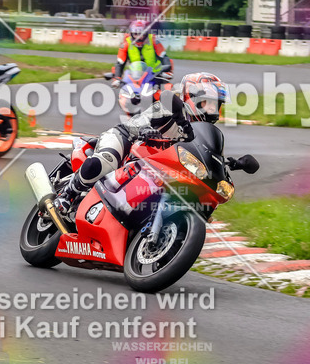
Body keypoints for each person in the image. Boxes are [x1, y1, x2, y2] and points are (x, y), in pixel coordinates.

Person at [54, 72, 229, 217]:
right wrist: (153, 130)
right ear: (192, 97)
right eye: (209, 103)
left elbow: (204, 151)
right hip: (128, 137)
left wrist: (228, 164)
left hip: (156, 164)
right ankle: (68, 194)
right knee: (106, 160)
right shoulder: (173, 108)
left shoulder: (201, 131)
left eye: (216, 105)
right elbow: (162, 108)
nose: (213, 109)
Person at [111, 19, 173, 87]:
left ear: (145, 33)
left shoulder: (154, 41)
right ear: (131, 33)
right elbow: (120, 63)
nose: (138, 37)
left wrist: (166, 68)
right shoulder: (126, 44)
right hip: (134, 78)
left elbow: (164, 57)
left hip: (154, 76)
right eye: (135, 34)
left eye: (141, 34)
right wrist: (117, 78)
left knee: (159, 95)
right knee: (124, 96)